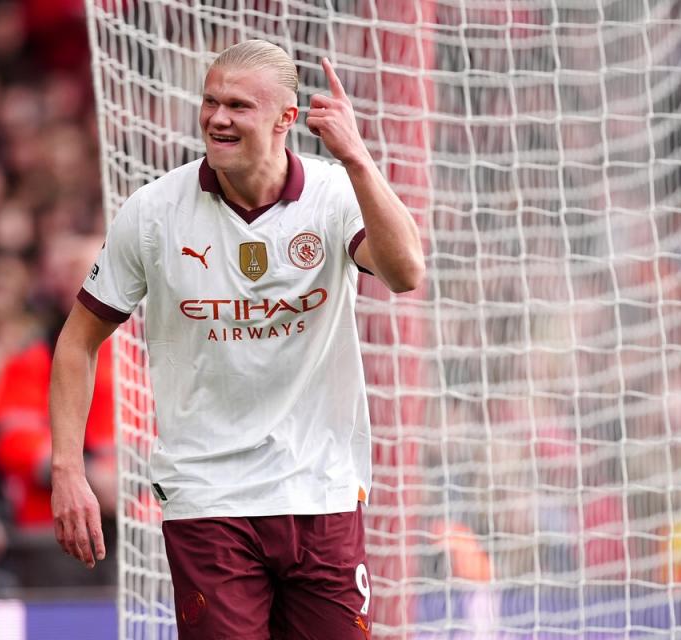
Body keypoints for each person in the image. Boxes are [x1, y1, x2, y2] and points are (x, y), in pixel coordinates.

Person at [49, 39, 424, 638]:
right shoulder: (154, 212)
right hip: (209, 499)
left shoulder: (332, 196)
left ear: (286, 120)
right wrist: (67, 468)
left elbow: (406, 274)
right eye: (210, 101)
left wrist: (357, 157)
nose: (217, 117)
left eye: (239, 106)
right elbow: (77, 341)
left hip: (320, 491)